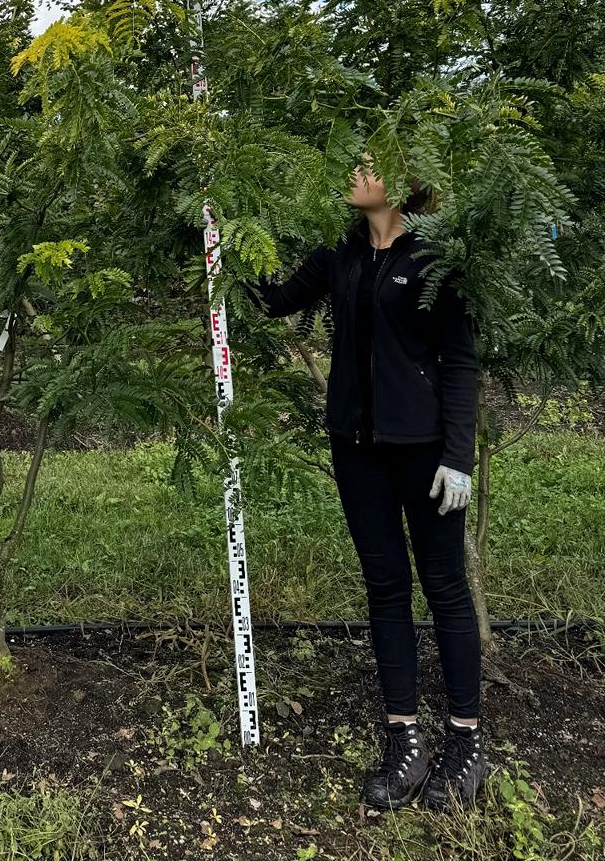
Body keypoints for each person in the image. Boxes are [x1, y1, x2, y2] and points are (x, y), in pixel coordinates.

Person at [248, 157, 487, 811]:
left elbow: (460, 359)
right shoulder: (341, 251)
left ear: (401, 181)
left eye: (368, 164)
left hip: (425, 451)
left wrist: (458, 457)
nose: (354, 172)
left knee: (444, 586)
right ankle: (403, 739)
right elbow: (275, 299)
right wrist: (227, 228)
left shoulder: (435, 254)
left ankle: (466, 742)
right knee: (385, 585)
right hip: (356, 448)